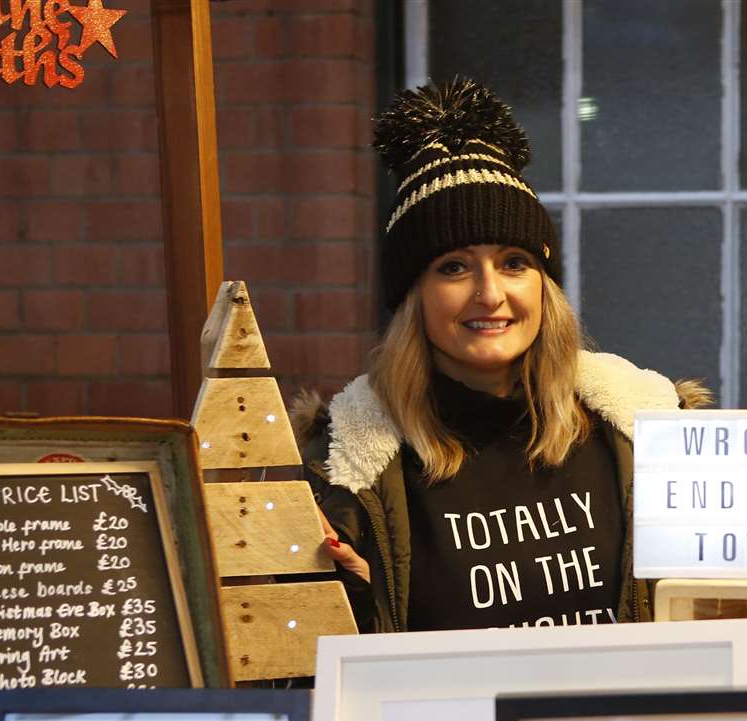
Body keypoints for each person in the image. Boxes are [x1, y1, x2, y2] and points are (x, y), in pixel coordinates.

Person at [296, 77, 708, 633]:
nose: (490, 294)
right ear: (413, 295)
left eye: (515, 262)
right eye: (454, 267)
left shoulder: (643, 431)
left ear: (545, 285)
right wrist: (354, 607)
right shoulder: (346, 470)